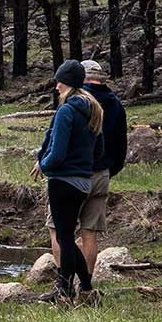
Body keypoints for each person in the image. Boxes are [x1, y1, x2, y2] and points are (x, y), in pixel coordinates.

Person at [31, 59, 105, 299]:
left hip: (63, 182)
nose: (56, 87)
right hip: (84, 182)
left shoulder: (66, 111)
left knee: (65, 239)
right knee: (68, 238)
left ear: (68, 83)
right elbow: (99, 151)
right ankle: (80, 289)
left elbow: (58, 152)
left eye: (59, 81)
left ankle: (74, 289)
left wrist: (44, 165)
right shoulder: (94, 108)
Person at [47, 59, 128, 278]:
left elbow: (58, 143)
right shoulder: (116, 105)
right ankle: (86, 283)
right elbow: (121, 146)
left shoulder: (74, 103)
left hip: (71, 175)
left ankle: (63, 281)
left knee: (59, 230)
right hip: (102, 174)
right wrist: (110, 171)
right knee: (89, 233)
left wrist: (46, 164)